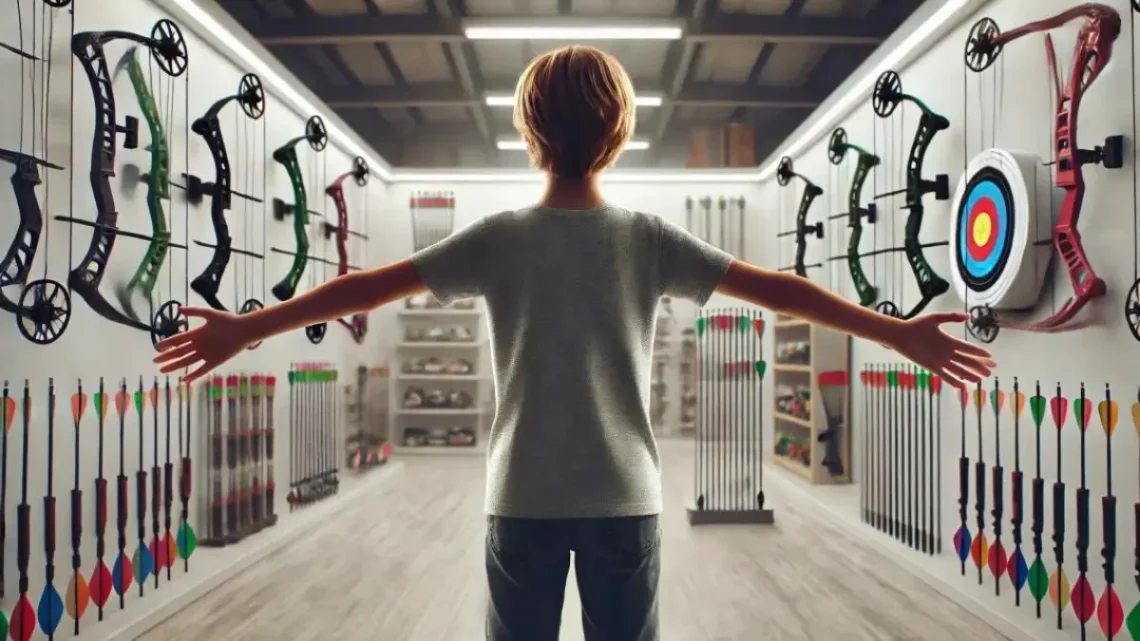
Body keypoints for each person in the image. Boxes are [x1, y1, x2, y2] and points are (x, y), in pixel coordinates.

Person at [155, 45, 995, 641]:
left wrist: (246, 327)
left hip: (519, 495)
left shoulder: (496, 236)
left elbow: (363, 286)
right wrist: (898, 333)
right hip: (622, 499)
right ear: (620, 129)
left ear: (528, 128)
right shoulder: (646, 236)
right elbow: (781, 290)